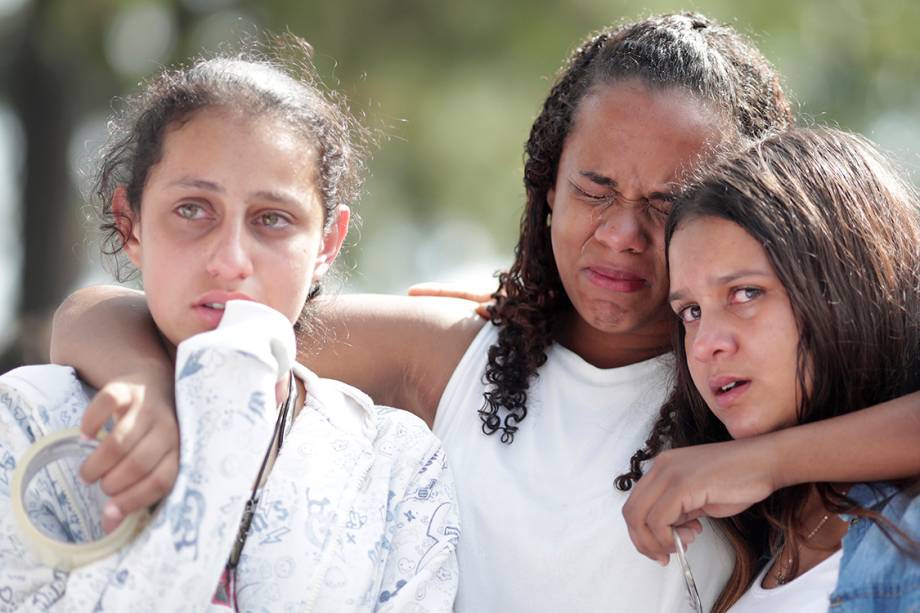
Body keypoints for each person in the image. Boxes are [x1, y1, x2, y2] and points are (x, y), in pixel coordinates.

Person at [51, 13, 920, 612]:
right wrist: (150, 389)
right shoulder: (455, 355)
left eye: (669, 204)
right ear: (546, 186)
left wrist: (764, 460)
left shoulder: (753, 382)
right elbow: (105, 311)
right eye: (594, 188)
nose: (622, 234)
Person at [0, 40, 459, 612]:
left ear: (328, 243)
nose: (230, 260)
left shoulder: (394, 462)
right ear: (131, 222)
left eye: (273, 219)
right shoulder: (28, 420)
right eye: (193, 209)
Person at [620, 127, 920, 611]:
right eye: (690, 312)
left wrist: (766, 462)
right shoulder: (760, 550)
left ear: (847, 287)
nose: (704, 346)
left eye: (745, 293)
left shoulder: (907, 534)